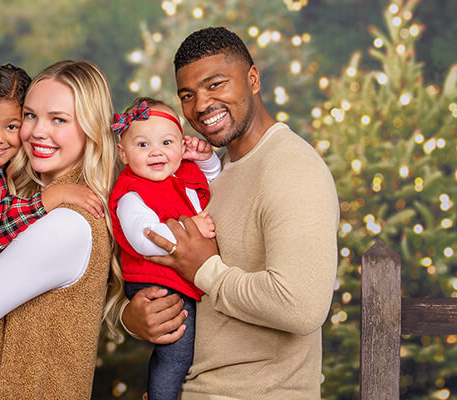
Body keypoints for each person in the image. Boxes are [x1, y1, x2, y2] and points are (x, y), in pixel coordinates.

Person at [0, 60, 186, 399]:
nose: (37, 132)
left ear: (90, 129)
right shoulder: (24, 198)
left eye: (58, 119)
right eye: (30, 115)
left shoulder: (68, 221)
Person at [119, 26, 339, 399]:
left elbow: (301, 308)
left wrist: (205, 270)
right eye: (187, 95)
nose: (201, 105)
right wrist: (133, 318)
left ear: (252, 79)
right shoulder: (204, 172)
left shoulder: (292, 167)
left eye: (216, 84)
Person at [108, 97, 222, 400]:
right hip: (156, 282)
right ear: (123, 153)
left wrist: (207, 160)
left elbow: (215, 185)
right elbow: (143, 237)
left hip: (183, 277)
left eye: (167, 142)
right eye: (143, 145)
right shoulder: (132, 192)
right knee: (177, 353)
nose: (156, 151)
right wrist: (192, 229)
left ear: (181, 147)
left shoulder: (182, 174)